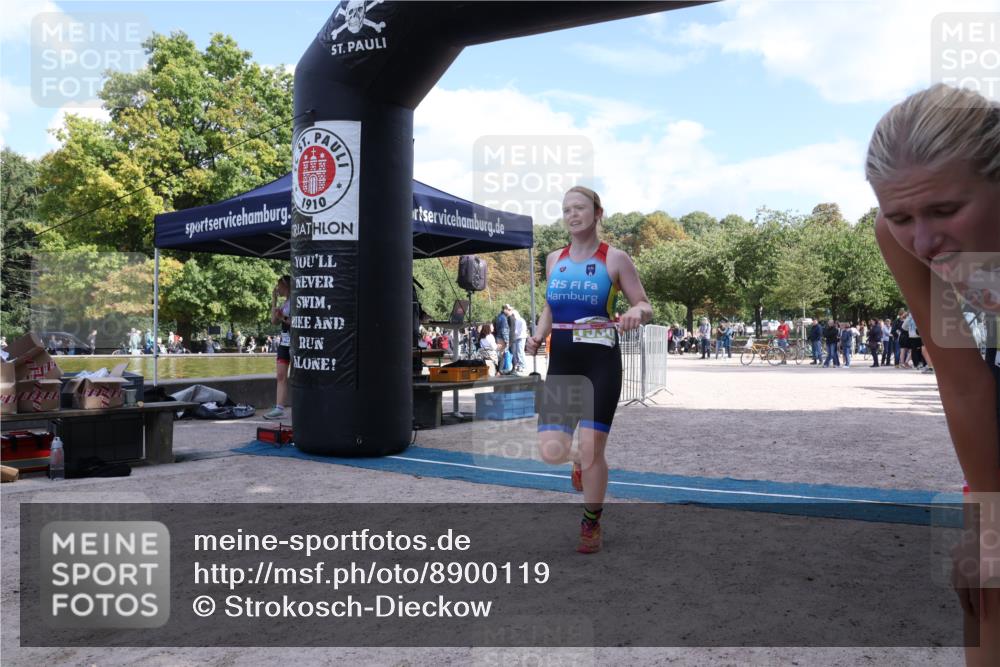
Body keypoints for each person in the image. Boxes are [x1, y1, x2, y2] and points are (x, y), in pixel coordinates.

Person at [867, 83, 1000, 664]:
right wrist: (988, 519)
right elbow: (963, 378)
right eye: (901, 216)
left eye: (946, 210)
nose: (923, 240)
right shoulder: (900, 239)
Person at [525, 186, 652, 554]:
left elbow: (645, 304)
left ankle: (591, 521)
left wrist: (634, 313)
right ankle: (577, 460)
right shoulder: (553, 259)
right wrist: (536, 336)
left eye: (580, 208)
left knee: (594, 447)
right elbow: (550, 306)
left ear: (598, 212)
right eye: (566, 209)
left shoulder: (615, 259)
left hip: (600, 362)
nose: (572, 215)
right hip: (564, 361)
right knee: (551, 450)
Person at [264, 275, 292, 420]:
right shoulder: (285, 303)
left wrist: (283, 318)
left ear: (286, 286)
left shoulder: (296, 302)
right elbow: (274, 321)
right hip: (284, 343)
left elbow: (296, 322)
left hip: (295, 343)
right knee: (280, 375)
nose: (277, 288)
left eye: (279, 286)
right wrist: (274, 300)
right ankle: (279, 407)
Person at [511, 308, 528, 373]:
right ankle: (519, 365)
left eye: (513, 315)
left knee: (520, 352)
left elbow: (523, 329)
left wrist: (516, 333)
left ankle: (523, 366)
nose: (513, 316)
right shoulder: (515, 321)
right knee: (516, 352)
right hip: (516, 337)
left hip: (521, 337)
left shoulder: (521, 320)